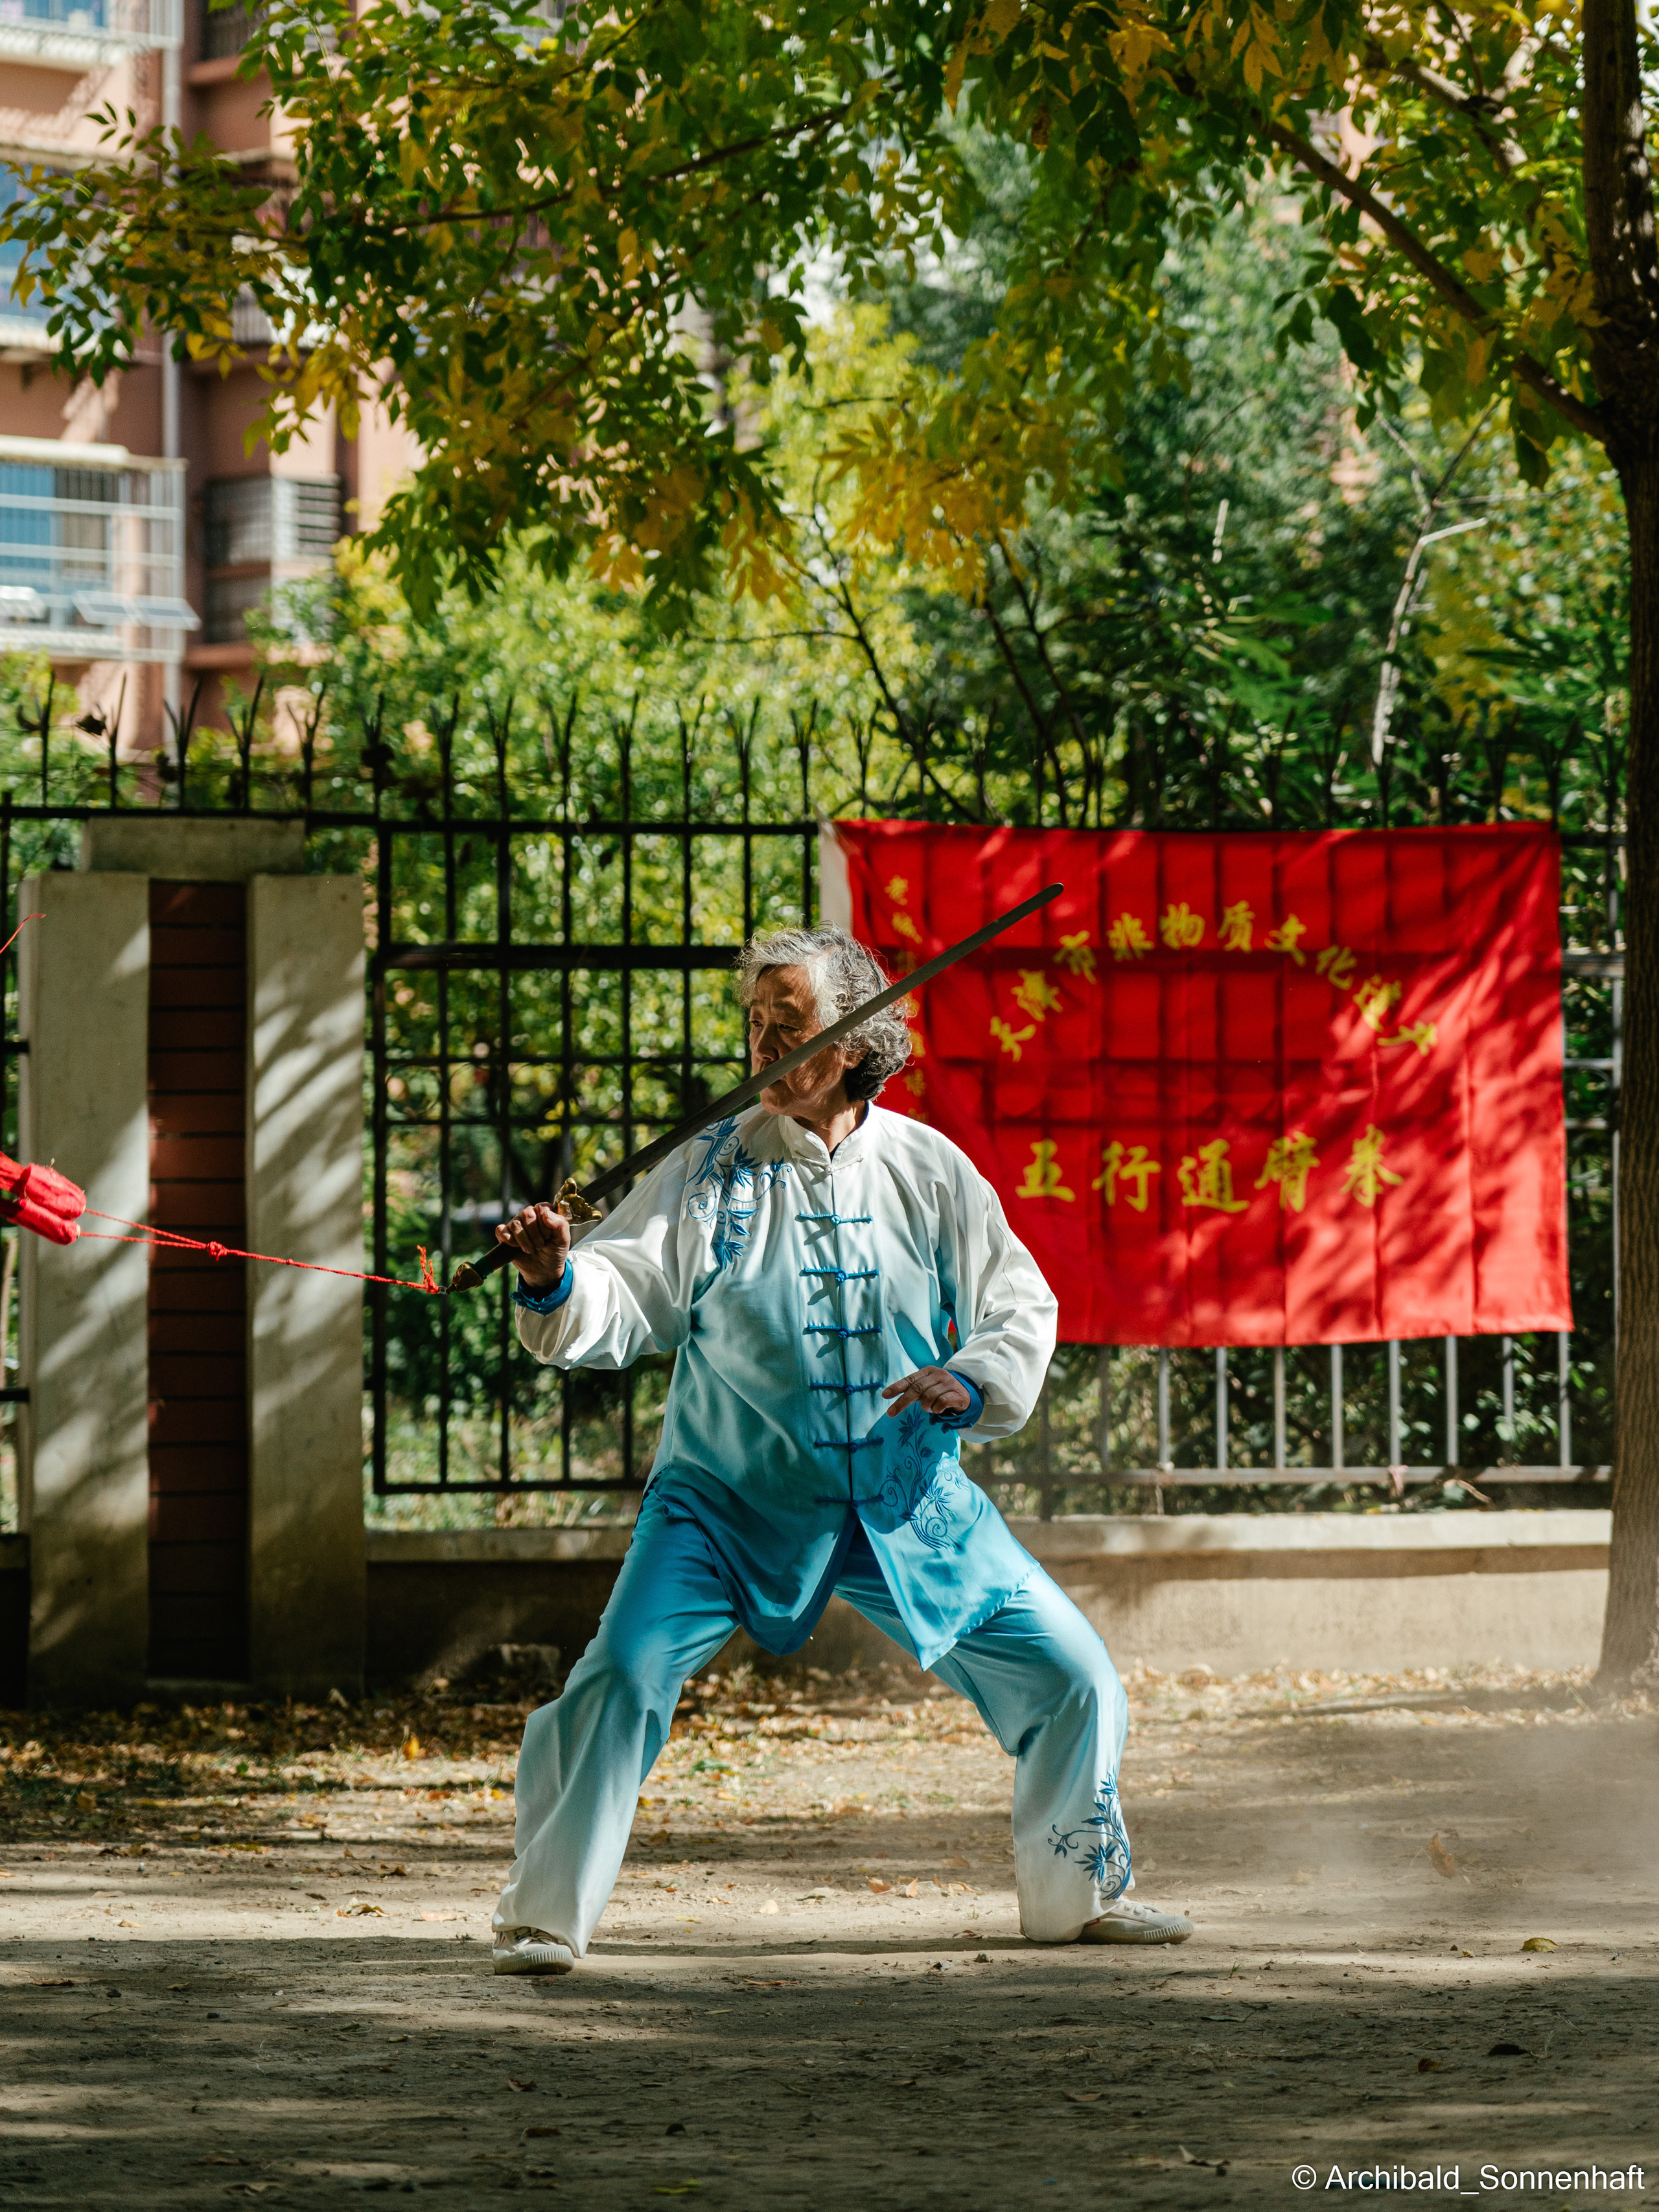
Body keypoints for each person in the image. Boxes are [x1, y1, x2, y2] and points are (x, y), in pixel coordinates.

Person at [489, 924, 1193, 1973]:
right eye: (755, 1022)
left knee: (1076, 1675)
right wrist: (554, 1277)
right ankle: (543, 1912)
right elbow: (624, 1289)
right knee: (623, 1675)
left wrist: (974, 1379)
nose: (765, 1041)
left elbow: (1019, 1304)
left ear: (859, 1040)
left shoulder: (926, 1169)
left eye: (792, 1023)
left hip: (905, 1495)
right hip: (726, 1502)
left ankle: (1079, 1891)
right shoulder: (711, 1171)